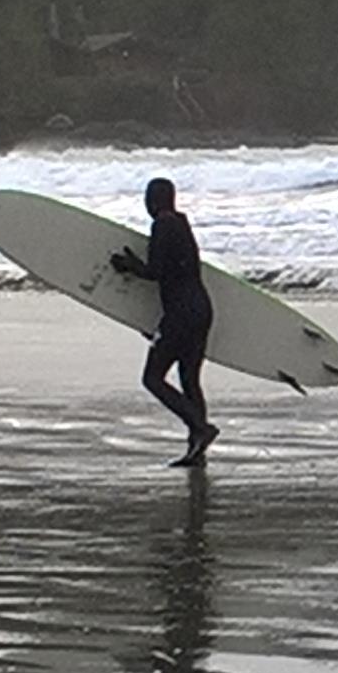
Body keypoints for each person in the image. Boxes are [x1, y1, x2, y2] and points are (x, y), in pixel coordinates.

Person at [111, 177, 220, 466]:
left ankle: (201, 427)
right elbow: (172, 268)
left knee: (152, 377)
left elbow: (156, 271)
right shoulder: (182, 224)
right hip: (200, 309)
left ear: (155, 200)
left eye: (148, 198)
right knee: (189, 380)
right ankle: (197, 449)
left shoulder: (162, 224)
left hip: (180, 314)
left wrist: (129, 266)